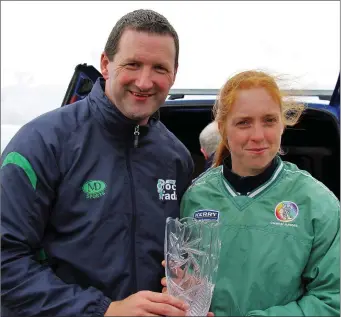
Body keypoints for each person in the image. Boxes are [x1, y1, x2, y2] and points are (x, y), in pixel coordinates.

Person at [1, 9, 195, 317]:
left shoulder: (176, 157)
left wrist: (187, 293)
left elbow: (181, 258)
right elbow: (6, 262)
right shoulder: (42, 143)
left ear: (174, 73)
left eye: (159, 68)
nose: (145, 82)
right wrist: (104, 310)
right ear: (106, 64)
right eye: (133, 64)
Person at [167, 70, 340, 316]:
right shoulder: (196, 196)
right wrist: (181, 296)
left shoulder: (318, 203)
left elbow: (332, 301)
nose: (258, 136)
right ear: (223, 128)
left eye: (269, 120)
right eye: (243, 122)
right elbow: (186, 282)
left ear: (283, 123)